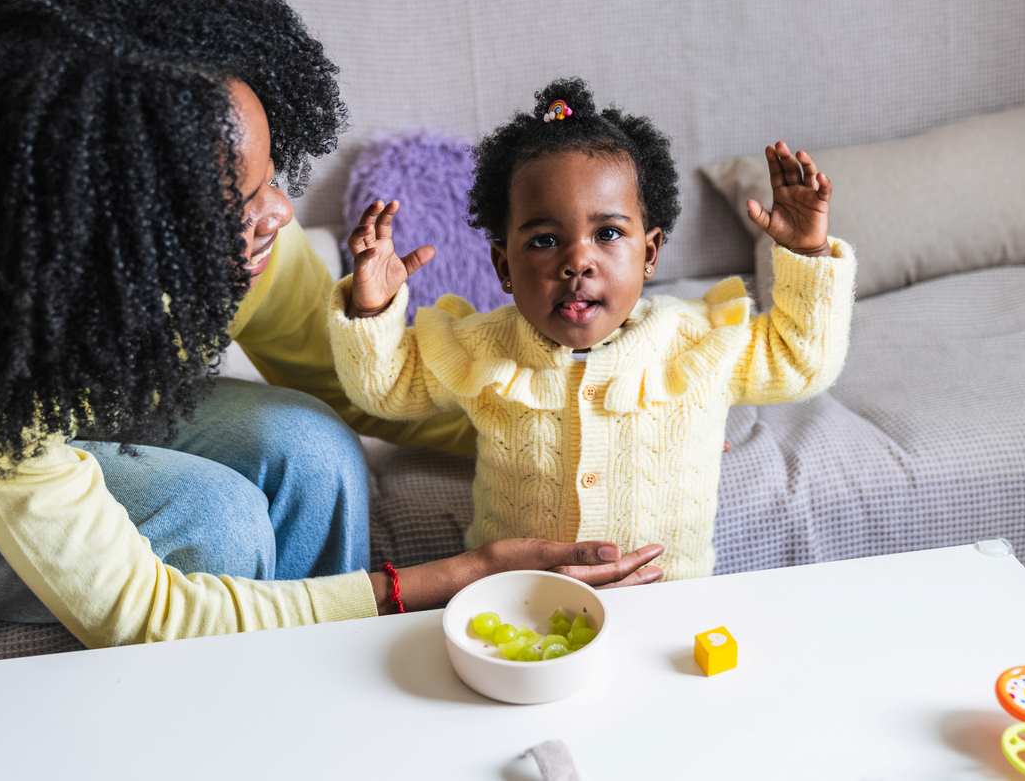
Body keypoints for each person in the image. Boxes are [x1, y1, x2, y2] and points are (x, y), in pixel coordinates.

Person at [0, 0, 663, 649]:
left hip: (64, 406)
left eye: (270, 174)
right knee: (209, 520)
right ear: (120, 229)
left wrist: (585, 416)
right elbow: (137, 607)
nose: (278, 211)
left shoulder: (243, 250)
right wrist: (444, 579)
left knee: (311, 446)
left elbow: (359, 384)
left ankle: (321, 691)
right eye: (239, 200)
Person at [330, 78, 857, 581]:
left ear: (649, 253)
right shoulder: (483, 347)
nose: (577, 261)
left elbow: (800, 362)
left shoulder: (696, 341)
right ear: (503, 267)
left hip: (666, 598)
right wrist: (372, 304)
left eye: (607, 233)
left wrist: (806, 253)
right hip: (520, 597)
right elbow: (386, 387)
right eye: (542, 240)